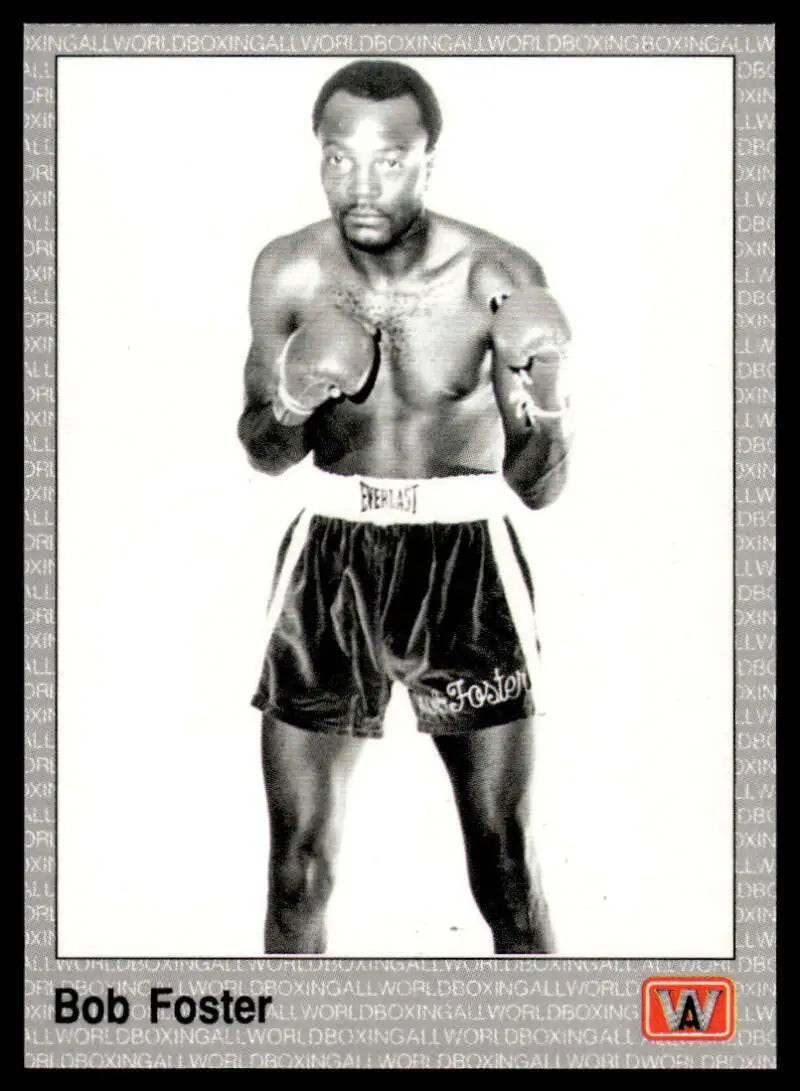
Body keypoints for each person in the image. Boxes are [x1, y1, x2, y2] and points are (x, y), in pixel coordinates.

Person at [238, 60, 573, 955]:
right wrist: (292, 402)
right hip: (330, 559)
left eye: (389, 160)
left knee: (503, 863)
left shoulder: (496, 273)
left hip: (466, 557)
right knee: (296, 868)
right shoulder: (288, 270)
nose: (361, 183)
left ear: (429, 157)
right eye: (338, 158)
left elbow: (536, 485)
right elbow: (261, 452)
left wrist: (546, 407)